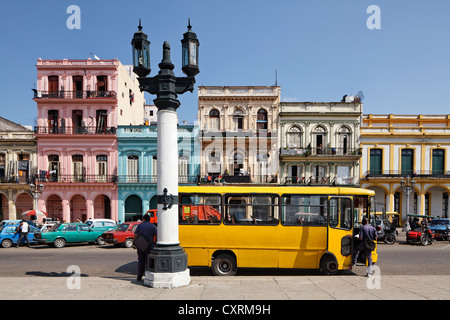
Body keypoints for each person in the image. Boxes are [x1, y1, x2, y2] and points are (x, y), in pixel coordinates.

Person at [133, 214, 157, 282]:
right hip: (150, 246)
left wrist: (134, 244)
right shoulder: (153, 226)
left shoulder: (140, 225)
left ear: (143, 219)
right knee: (148, 262)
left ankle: (139, 277)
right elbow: (156, 236)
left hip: (141, 246)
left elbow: (135, 235)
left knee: (141, 261)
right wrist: (155, 243)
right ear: (149, 219)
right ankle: (148, 277)